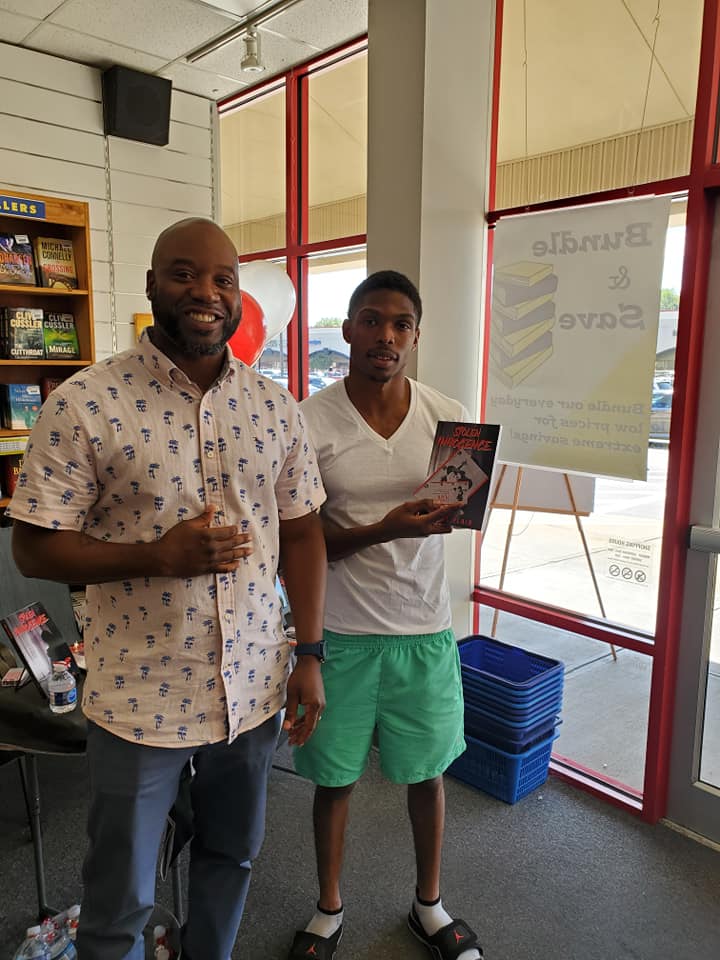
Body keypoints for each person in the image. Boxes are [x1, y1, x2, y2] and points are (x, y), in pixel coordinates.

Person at [8, 217, 328, 960]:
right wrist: (157, 556)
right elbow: (31, 546)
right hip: (138, 698)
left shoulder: (274, 406)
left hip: (251, 688)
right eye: (184, 273)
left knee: (232, 859)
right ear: (153, 284)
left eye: (223, 279)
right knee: (121, 895)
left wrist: (309, 651)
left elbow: (305, 532)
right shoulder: (85, 402)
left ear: (241, 297)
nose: (206, 293)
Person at [289, 271, 482, 960]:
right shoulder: (309, 420)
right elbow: (303, 541)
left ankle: (428, 906)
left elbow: (452, 514)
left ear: (416, 337)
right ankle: (328, 910)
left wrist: (441, 517)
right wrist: (386, 526)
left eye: (401, 324)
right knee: (333, 781)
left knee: (427, 775)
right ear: (347, 330)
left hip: (425, 631)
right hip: (340, 634)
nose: (386, 336)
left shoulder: (448, 415)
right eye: (372, 320)